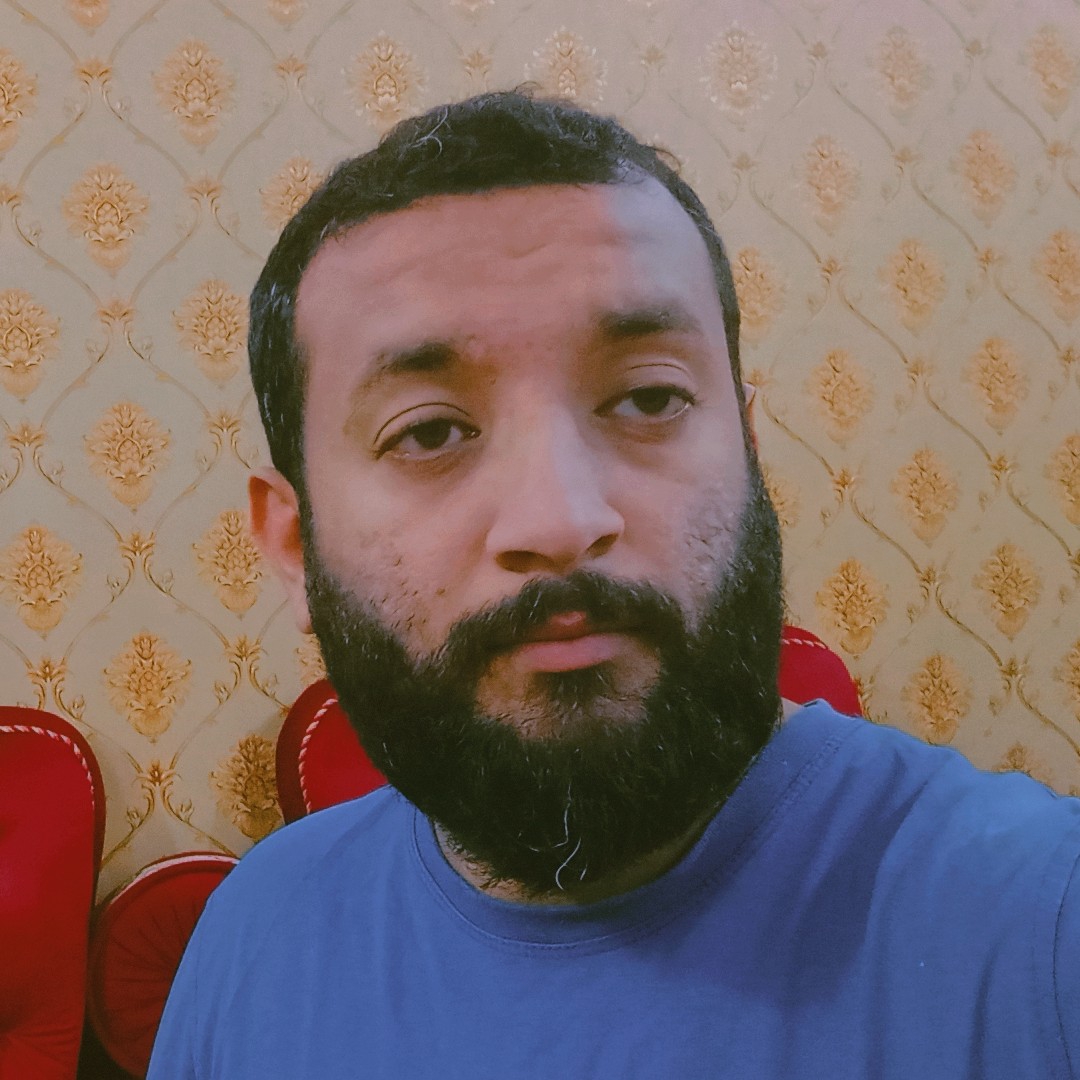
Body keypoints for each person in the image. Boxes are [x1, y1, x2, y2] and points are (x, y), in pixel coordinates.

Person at [148, 91, 1080, 1079]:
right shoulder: (254, 939)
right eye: (429, 431)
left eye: (649, 397)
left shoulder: (1041, 923)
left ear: (750, 452)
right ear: (294, 547)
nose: (560, 519)